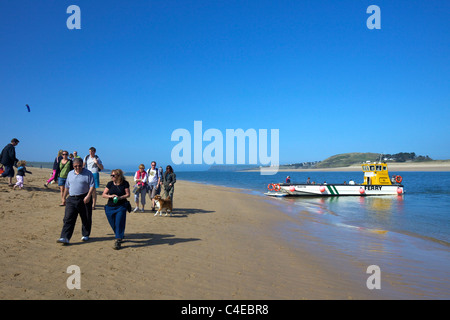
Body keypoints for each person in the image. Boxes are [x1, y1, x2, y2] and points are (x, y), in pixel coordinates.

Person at [57, 158, 95, 245]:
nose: (78, 167)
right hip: (71, 198)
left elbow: (92, 185)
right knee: (68, 218)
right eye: (75, 166)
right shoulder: (70, 173)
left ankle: (85, 234)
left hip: (84, 198)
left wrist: (89, 196)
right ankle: (65, 237)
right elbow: (67, 187)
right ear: (73, 166)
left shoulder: (88, 173)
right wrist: (63, 197)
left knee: (86, 217)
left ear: (82, 165)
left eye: (79, 166)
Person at [102, 169, 130, 250]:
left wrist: (120, 197)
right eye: (111, 175)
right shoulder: (110, 184)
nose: (112, 177)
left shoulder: (125, 183)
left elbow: (128, 194)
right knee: (113, 223)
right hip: (110, 207)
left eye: (113, 175)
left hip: (121, 206)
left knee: (119, 222)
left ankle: (118, 240)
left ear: (119, 176)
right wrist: (110, 196)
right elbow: (104, 194)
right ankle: (119, 234)